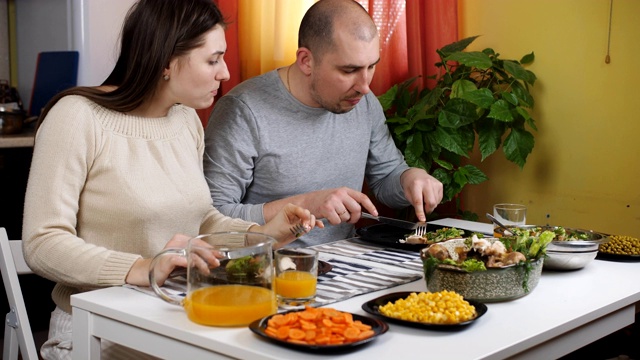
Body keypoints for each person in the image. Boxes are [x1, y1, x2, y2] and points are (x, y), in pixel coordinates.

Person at [22, 1, 320, 359]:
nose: (225, 73)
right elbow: (42, 244)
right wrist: (144, 267)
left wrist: (264, 235)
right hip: (96, 332)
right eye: (212, 60)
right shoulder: (76, 118)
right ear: (165, 61)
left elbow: (201, 217)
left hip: (173, 319)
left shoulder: (185, 120)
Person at [203, 0, 443, 247]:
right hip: (269, 268)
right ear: (306, 61)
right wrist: (309, 205)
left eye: (371, 66)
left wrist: (409, 179)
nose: (365, 86)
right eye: (349, 70)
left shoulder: (363, 101)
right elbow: (212, 217)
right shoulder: (243, 110)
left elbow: (385, 178)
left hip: (345, 263)